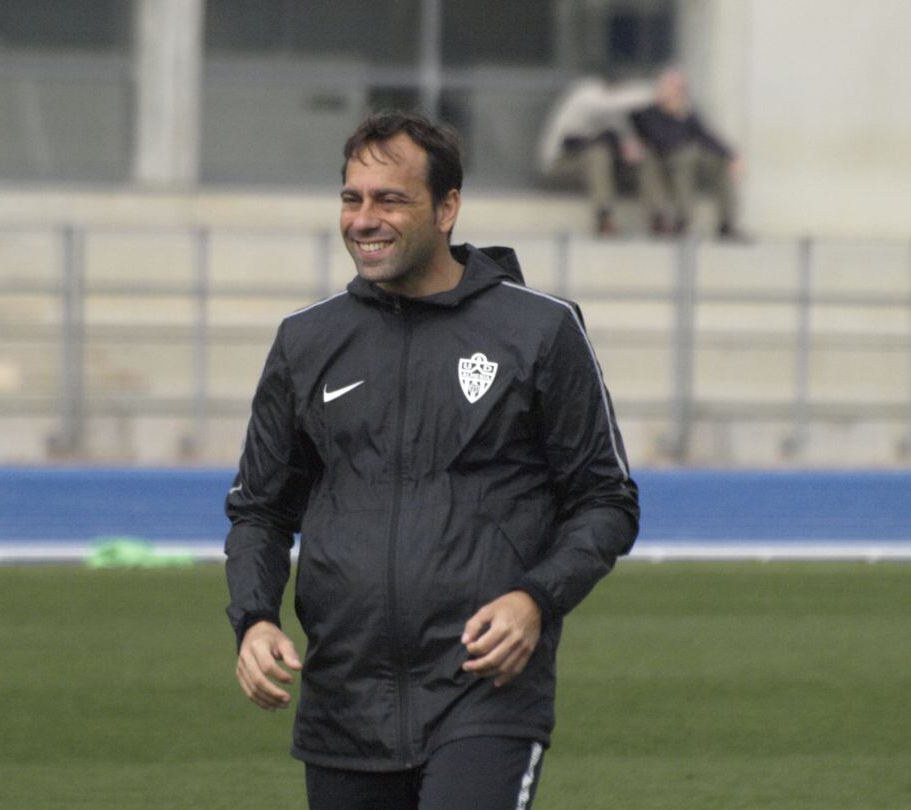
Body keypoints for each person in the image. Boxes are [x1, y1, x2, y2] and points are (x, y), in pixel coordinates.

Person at [224, 111, 640, 810]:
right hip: (344, 700)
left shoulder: (539, 328)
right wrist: (254, 619)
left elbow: (606, 501)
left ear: (447, 209)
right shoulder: (306, 341)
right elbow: (260, 511)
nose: (364, 219)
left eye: (390, 199)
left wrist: (534, 598)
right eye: (352, 198)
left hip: (487, 690)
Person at [629, 66, 745, 238]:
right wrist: (675, 117)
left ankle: (727, 223)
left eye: (680, 88)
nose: (677, 92)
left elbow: (706, 136)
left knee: (718, 162)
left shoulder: (687, 114)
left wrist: (731, 156)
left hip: (684, 161)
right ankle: (678, 218)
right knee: (684, 155)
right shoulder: (647, 113)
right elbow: (662, 140)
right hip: (661, 160)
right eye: (672, 86)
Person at [536, 73, 653, 235]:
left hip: (599, 168)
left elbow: (624, 137)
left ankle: (660, 218)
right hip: (560, 163)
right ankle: (604, 218)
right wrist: (657, 94)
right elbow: (610, 104)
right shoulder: (585, 95)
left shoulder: (614, 115)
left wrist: (630, 147)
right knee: (598, 153)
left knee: (645, 156)